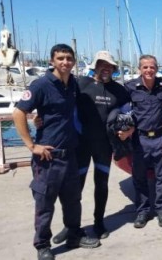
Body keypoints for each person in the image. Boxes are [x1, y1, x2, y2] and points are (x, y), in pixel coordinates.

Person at [13, 44, 100, 260]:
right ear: (52, 60)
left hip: (69, 154)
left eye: (69, 58)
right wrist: (32, 146)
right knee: (45, 205)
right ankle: (42, 245)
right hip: (47, 157)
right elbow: (18, 112)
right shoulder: (41, 85)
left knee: (73, 201)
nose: (65, 62)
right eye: (60, 58)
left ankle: (74, 235)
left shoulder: (71, 84)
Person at [51, 51, 132, 243]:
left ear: (113, 68)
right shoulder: (80, 84)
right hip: (81, 145)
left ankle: (98, 223)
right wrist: (41, 118)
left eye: (109, 65)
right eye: (101, 64)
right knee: (75, 188)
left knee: (101, 185)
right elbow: (59, 102)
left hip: (104, 146)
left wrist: (128, 130)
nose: (106, 68)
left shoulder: (119, 90)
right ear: (95, 66)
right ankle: (71, 227)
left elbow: (129, 113)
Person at [124, 55, 162, 229]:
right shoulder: (130, 87)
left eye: (152, 67)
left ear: (157, 69)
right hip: (140, 138)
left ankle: (161, 210)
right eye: (145, 67)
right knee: (139, 177)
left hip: (160, 138)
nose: (149, 70)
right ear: (139, 69)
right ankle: (143, 211)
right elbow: (120, 106)